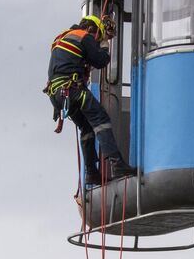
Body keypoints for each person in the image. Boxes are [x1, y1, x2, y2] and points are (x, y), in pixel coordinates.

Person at [45, 14, 137, 186]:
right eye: (97, 36)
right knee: (100, 120)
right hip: (72, 89)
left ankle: (91, 173)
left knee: (86, 128)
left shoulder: (62, 37)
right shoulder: (84, 36)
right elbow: (101, 60)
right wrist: (104, 44)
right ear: (90, 29)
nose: (96, 40)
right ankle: (117, 165)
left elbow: (78, 60)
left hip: (57, 95)